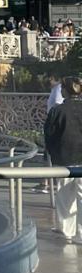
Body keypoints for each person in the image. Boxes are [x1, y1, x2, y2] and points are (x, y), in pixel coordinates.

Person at [45, 79, 82, 244]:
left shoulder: (57, 111)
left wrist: (53, 155)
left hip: (65, 158)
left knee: (65, 195)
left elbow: (49, 135)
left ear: (64, 91)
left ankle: (66, 230)